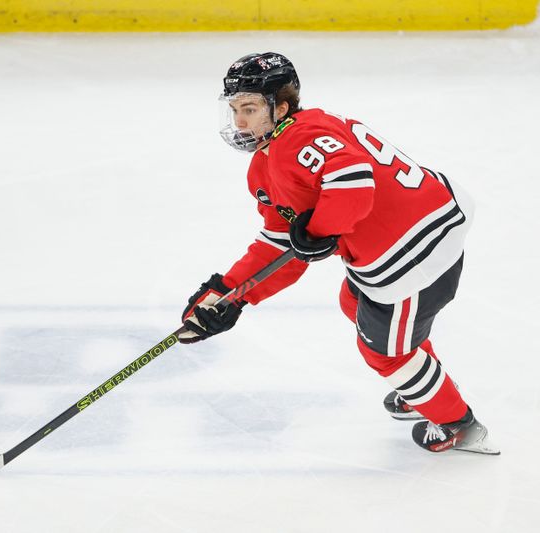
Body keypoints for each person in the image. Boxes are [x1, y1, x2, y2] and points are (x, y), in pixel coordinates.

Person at [178, 52, 498, 455]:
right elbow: (282, 245)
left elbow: (352, 180)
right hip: (432, 216)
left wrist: (319, 230)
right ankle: (422, 385)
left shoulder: (294, 140)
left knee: (384, 352)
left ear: (280, 106)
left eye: (250, 108)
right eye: (234, 109)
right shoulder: (292, 140)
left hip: (412, 252)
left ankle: (457, 423)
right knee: (354, 301)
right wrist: (228, 292)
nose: (239, 121)